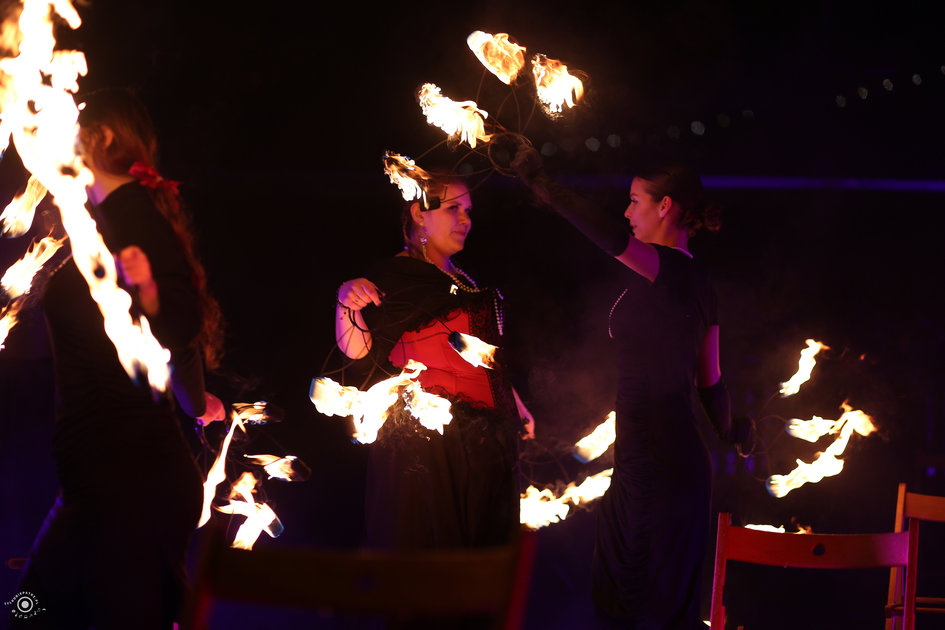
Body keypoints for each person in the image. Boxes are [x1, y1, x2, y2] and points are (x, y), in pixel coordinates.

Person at [512, 144, 750, 629]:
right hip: (651, 459)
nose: (626, 211)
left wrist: (543, 185)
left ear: (665, 206)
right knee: (631, 599)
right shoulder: (696, 282)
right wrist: (731, 429)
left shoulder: (670, 269)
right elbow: (710, 379)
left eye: (635, 200)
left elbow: (604, 234)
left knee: (643, 605)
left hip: (660, 463)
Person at [12, 88, 224, 629]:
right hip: (97, 481)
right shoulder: (100, 219)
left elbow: (179, 324)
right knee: (29, 611)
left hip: (129, 480)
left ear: (102, 137)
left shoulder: (135, 218)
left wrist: (150, 293)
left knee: (36, 614)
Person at [335, 171, 532, 550]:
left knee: (483, 564)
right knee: (435, 561)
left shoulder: (461, 277)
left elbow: (485, 357)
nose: (465, 219)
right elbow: (358, 354)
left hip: (487, 445)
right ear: (419, 214)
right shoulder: (395, 276)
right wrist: (346, 302)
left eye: (468, 211)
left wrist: (515, 402)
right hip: (429, 447)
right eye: (453, 208)